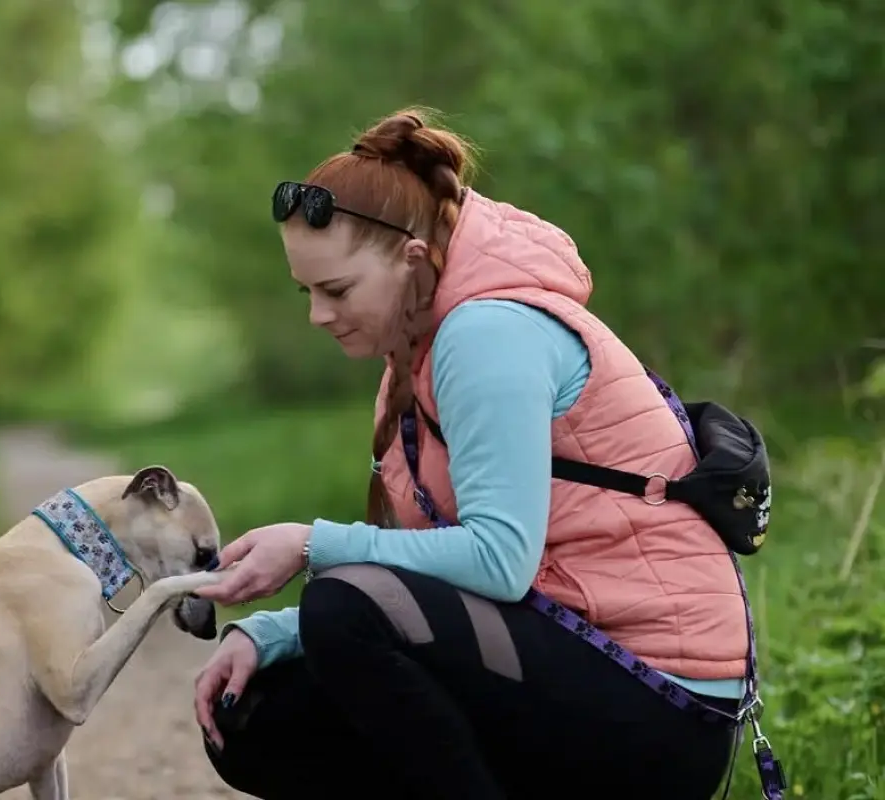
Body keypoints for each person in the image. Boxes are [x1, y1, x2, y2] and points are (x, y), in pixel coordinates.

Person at [189, 108, 764, 800]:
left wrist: (313, 546)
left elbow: (498, 560)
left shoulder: (486, 335)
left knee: (345, 609)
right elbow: (428, 582)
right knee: (256, 714)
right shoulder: (419, 346)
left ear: (410, 261)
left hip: (663, 710)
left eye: (335, 290)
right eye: (306, 292)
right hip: (564, 655)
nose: (318, 314)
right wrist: (275, 631)